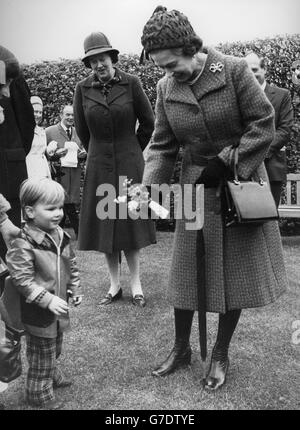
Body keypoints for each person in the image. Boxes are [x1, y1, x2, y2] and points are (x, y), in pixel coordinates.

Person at [140, 7, 287, 390]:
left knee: (234, 273)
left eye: (173, 65)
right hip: (194, 189)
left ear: (191, 47)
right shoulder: (164, 89)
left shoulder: (235, 70)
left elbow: (263, 123)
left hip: (236, 187)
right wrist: (149, 185)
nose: (169, 74)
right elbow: (162, 145)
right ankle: (180, 348)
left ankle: (220, 353)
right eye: (162, 68)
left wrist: (232, 162)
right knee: (187, 270)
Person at [74, 32, 156, 307]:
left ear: (113, 58)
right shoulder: (82, 89)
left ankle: (136, 285)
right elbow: (83, 132)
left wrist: (132, 147)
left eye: (103, 58)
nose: (99, 64)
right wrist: (99, 152)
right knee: (105, 227)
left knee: (131, 224)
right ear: (89, 64)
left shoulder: (132, 83)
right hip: (100, 167)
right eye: (93, 60)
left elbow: (149, 122)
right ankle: (113, 285)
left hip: (130, 163)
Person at [6, 178, 82, 409]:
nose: (58, 213)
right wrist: (47, 299)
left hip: (58, 308)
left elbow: (71, 264)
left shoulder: (60, 235)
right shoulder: (23, 243)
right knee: (42, 352)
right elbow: (21, 279)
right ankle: (38, 392)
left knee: (54, 346)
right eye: (50, 209)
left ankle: (51, 373)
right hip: (37, 311)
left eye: (59, 207)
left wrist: (75, 288)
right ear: (29, 211)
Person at [245, 52, 294, 207]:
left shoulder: (282, 95)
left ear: (264, 69)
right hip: (243, 170)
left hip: (272, 168)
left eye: (254, 69)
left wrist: (259, 152)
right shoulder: (237, 96)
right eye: (246, 71)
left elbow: (285, 129)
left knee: (270, 221)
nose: (250, 74)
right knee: (244, 223)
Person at [0, 45, 35, 260]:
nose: (6, 92)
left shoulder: (11, 69)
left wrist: (15, 153)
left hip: (7, 171)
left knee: (7, 244)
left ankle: (7, 290)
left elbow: (26, 121)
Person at [46, 105, 86, 239]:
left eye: (72, 115)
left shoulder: (78, 132)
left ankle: (60, 233)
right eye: (67, 114)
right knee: (63, 203)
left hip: (73, 174)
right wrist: (55, 155)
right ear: (61, 115)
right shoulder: (50, 131)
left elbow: (84, 151)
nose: (70, 117)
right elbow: (43, 153)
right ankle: (78, 233)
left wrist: (83, 155)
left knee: (68, 203)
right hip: (58, 175)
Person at [26, 96, 51, 179]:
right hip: (29, 168)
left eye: (40, 112)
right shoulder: (23, 130)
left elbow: (42, 151)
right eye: (35, 112)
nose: (38, 115)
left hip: (42, 168)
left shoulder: (42, 131)